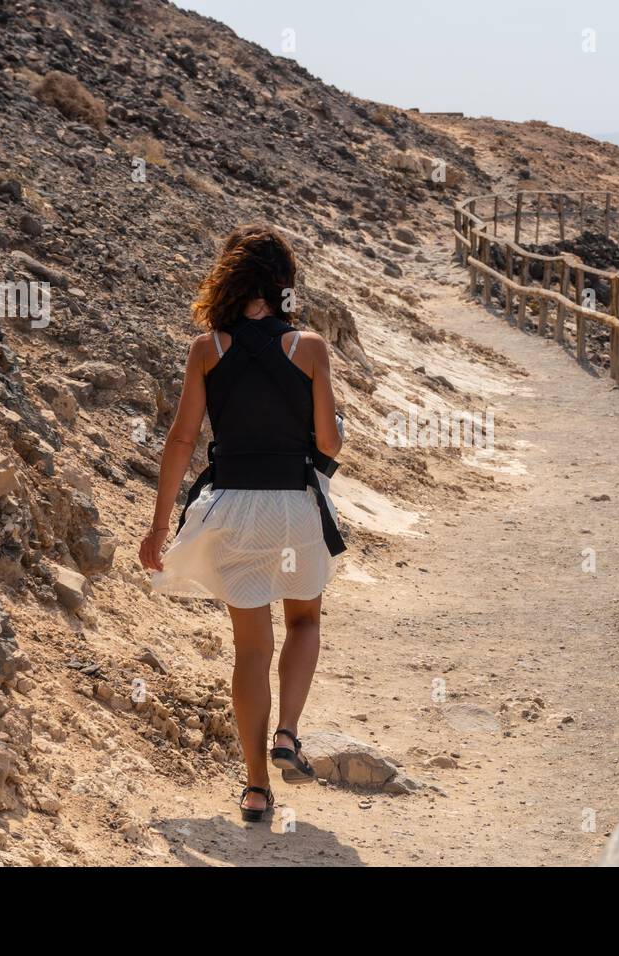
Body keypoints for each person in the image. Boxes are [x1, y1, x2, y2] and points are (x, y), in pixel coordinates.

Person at [139, 224, 345, 823]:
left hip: (231, 508)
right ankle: (288, 733)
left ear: (229, 278)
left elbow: (182, 440)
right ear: (283, 283)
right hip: (292, 508)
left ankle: (256, 788)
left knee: (250, 650)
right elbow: (330, 441)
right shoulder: (308, 348)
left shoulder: (208, 349)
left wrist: (158, 528)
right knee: (305, 617)